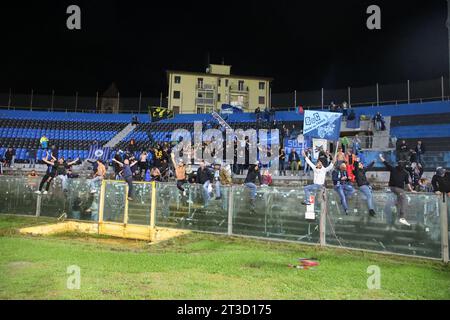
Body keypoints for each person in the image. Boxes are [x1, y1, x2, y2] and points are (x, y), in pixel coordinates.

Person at [379, 154, 416, 227]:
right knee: (404, 199)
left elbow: (385, 163)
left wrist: (381, 157)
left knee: (399, 201)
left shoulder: (402, 172)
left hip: (394, 188)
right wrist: (411, 190)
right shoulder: (403, 171)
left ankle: (398, 216)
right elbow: (408, 183)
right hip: (396, 188)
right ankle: (402, 217)